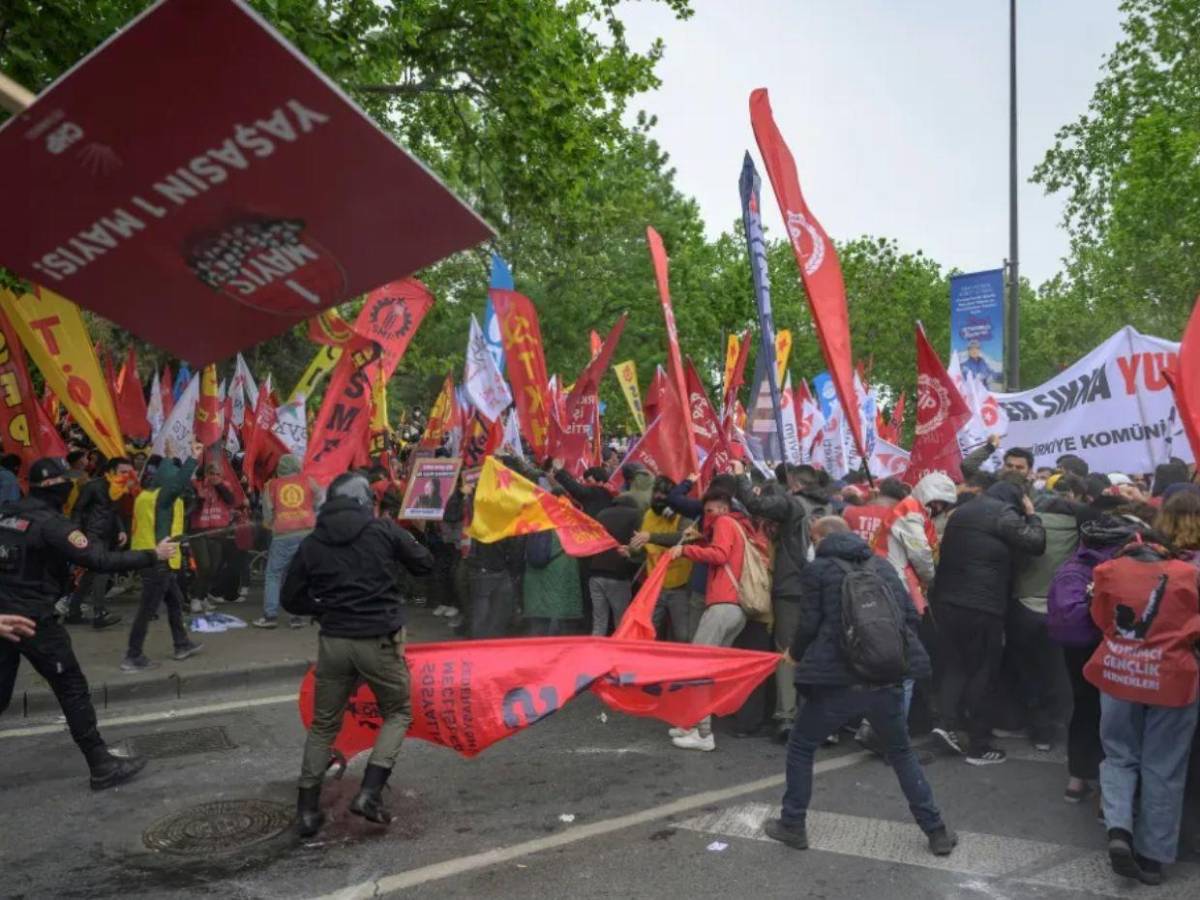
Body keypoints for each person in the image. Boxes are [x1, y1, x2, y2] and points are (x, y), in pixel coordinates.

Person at [764, 516, 957, 856]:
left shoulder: (818, 570)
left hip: (838, 682)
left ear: (821, 538)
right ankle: (936, 830)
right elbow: (910, 617)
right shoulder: (882, 566)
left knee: (802, 745)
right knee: (901, 752)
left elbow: (808, 624)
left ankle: (792, 823)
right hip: (886, 678)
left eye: (813, 539)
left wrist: (794, 654)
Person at [0, 457, 176, 789]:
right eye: (65, 482)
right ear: (53, 487)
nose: (70, 487)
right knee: (72, 688)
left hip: (4, 618)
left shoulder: (7, 514)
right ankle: (101, 764)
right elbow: (99, 559)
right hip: (34, 621)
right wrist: (153, 555)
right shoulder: (52, 525)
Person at [281, 471, 434, 838]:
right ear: (365, 501)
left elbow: (290, 598)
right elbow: (425, 563)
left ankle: (306, 811)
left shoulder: (313, 541)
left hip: (334, 641)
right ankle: (369, 793)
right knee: (397, 712)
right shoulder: (383, 530)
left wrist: (323, 607)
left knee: (324, 724)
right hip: (378, 639)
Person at [1085, 507, 1200, 886]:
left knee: (1119, 755)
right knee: (1164, 765)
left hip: (1118, 674)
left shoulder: (1107, 571)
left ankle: (1119, 828)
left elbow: (1100, 619)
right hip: (1172, 679)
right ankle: (1152, 858)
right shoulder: (1188, 574)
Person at [931, 478, 1046, 764]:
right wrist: (1032, 515)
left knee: (955, 666)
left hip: (947, 602)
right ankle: (979, 745)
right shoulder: (1002, 512)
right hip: (981, 605)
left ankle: (946, 725)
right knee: (983, 672)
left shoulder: (963, 511)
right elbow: (1036, 542)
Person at [1048, 515, 1150, 803]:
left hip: (1073, 649)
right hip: (1105, 647)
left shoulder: (1071, 566)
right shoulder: (1118, 571)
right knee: (1115, 716)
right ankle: (1111, 789)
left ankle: (1076, 779)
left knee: (1082, 707)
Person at [732, 462, 829, 742]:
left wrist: (740, 476)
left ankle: (786, 716)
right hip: (822, 586)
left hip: (791, 587)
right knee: (815, 650)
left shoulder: (793, 504)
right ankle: (816, 715)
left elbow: (754, 504)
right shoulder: (830, 507)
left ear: (795, 484)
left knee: (787, 651)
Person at [665, 486, 764, 752]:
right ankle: (693, 724)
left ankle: (703, 733)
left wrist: (686, 550)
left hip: (722, 604)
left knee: (699, 667)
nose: (706, 515)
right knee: (708, 668)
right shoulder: (738, 525)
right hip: (736, 608)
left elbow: (719, 555)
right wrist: (699, 542)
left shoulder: (724, 522)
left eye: (709, 510)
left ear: (722, 508)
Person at [1004, 484, 1084, 752]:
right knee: (1056, 671)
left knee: (1028, 670)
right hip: (1059, 608)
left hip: (1024, 605)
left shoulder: (1027, 525)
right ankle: (1056, 726)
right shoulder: (1078, 530)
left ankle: (1037, 729)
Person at [122, 446, 205, 672]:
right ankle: (132, 655)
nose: (180, 486)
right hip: (156, 561)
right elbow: (176, 485)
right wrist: (193, 458)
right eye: (175, 480)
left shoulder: (145, 496)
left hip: (150, 558)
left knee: (175, 601)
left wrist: (168, 457)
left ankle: (182, 644)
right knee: (146, 610)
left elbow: (158, 523)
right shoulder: (163, 498)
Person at [66, 456, 139, 629]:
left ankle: (73, 612)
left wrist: (121, 530)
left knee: (91, 574)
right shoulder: (93, 486)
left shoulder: (117, 488)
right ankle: (99, 613)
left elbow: (114, 512)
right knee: (102, 572)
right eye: (122, 472)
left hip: (107, 536)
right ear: (111, 471)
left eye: (129, 472)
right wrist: (77, 534)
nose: (126, 475)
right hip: (92, 535)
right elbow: (77, 510)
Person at [253, 454, 322, 629]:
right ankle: (296, 617)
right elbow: (319, 499)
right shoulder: (308, 481)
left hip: (283, 535)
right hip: (307, 534)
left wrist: (271, 523)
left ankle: (270, 616)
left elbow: (267, 513)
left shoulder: (271, 485)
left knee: (274, 575)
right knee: (298, 574)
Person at [629, 475, 694, 642]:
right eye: (656, 494)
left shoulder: (684, 515)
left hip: (679, 585)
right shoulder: (649, 515)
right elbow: (644, 545)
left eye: (663, 495)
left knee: (682, 635)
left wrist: (651, 537)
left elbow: (683, 538)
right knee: (649, 631)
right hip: (655, 584)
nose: (658, 498)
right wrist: (631, 550)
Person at [588, 494, 642, 636]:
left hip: (596, 572)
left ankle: (595, 647)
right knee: (621, 621)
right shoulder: (636, 515)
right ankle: (620, 648)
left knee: (599, 622)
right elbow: (638, 542)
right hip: (618, 574)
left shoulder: (601, 514)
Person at [189, 460, 239, 608]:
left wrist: (218, 485)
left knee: (214, 567)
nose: (214, 476)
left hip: (217, 531)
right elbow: (191, 506)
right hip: (199, 530)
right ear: (206, 474)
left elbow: (230, 500)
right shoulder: (197, 485)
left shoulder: (225, 486)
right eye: (211, 473)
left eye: (218, 474)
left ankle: (203, 596)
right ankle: (195, 598)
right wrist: (198, 498)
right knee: (204, 566)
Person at [961, 435, 1036, 482]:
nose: (1013, 470)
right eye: (1009, 466)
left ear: (1029, 470)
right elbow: (967, 466)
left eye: (1019, 467)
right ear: (1003, 465)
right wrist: (990, 447)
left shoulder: (1033, 495)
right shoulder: (991, 482)